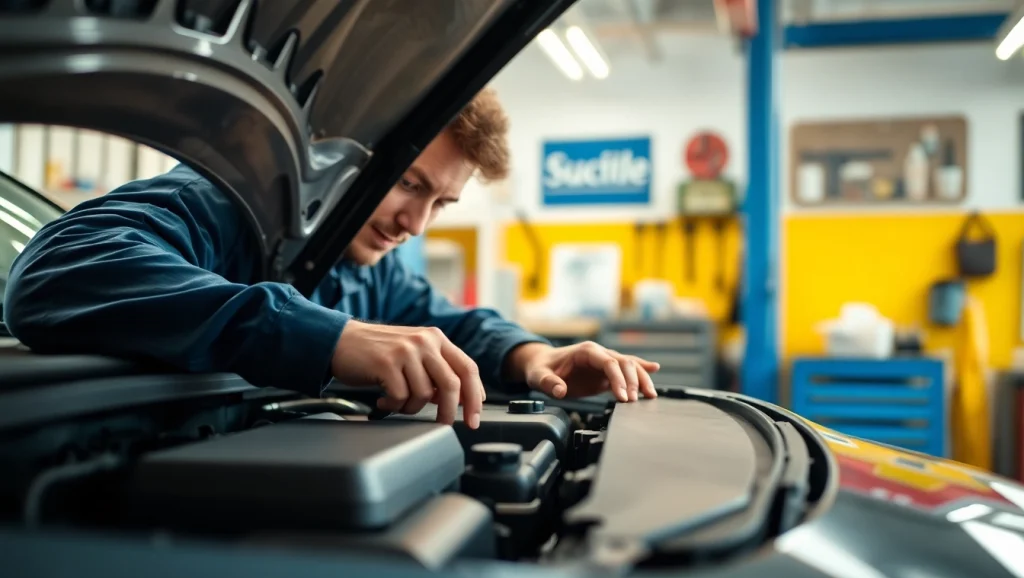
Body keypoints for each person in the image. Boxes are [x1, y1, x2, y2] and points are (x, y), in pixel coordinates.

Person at [3, 88, 659, 429]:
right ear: (340, 149)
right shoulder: (225, 203)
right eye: (409, 184)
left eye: (440, 204)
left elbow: (450, 324)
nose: (414, 224)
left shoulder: (362, 265)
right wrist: (331, 337)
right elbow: (54, 268)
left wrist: (533, 355)